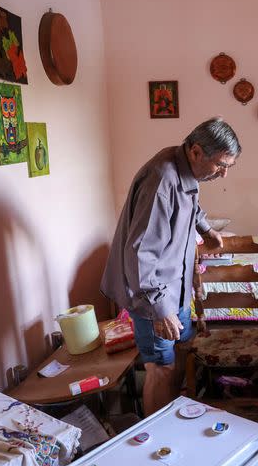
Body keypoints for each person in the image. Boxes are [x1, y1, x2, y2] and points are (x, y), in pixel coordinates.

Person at [101, 117, 241, 416]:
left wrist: (206, 229)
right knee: (160, 368)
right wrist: (158, 308)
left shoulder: (185, 170)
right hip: (153, 294)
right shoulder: (162, 178)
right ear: (196, 151)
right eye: (221, 165)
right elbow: (141, 252)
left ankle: (172, 422)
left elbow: (190, 204)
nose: (224, 174)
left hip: (174, 287)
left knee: (178, 353)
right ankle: (158, 439)